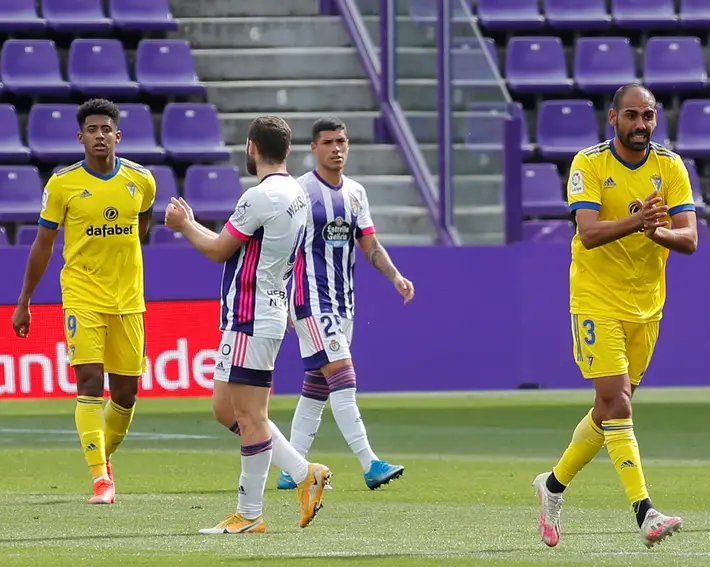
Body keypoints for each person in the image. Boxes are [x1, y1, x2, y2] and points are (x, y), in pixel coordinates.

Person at [531, 83, 698, 549]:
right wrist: (641, 220)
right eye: (631, 115)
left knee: (609, 411)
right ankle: (645, 512)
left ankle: (552, 486)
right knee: (618, 403)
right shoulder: (589, 163)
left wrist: (657, 231)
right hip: (594, 299)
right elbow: (588, 234)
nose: (640, 125)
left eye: (647, 116)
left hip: (647, 305)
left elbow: (689, 239)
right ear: (612, 118)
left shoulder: (670, 166)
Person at [164, 116, 331, 534]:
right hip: (264, 311)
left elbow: (220, 250)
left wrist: (184, 225)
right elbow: (282, 254)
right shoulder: (296, 192)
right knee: (226, 409)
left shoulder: (258, 197)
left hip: (250, 315)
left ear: (251, 147)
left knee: (251, 416)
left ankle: (250, 514)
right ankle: (303, 471)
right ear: (288, 150)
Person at [12, 98, 156, 505]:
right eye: (91, 130)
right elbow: (43, 244)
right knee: (90, 382)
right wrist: (24, 301)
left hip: (128, 299)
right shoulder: (62, 184)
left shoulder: (142, 180)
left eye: (105, 129)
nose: (99, 136)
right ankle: (101, 481)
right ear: (80, 137)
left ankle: (101, 456)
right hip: (81, 295)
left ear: (117, 135)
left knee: (126, 394)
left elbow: (142, 223)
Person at [276, 117, 412, 491]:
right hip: (311, 300)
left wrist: (395, 276)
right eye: (328, 142)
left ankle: (291, 470)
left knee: (316, 389)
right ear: (313, 149)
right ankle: (371, 464)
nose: (337, 148)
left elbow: (369, 243)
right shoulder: (300, 191)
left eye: (342, 141)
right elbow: (283, 246)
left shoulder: (355, 193)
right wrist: (283, 296)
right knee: (344, 379)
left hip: (343, 305)